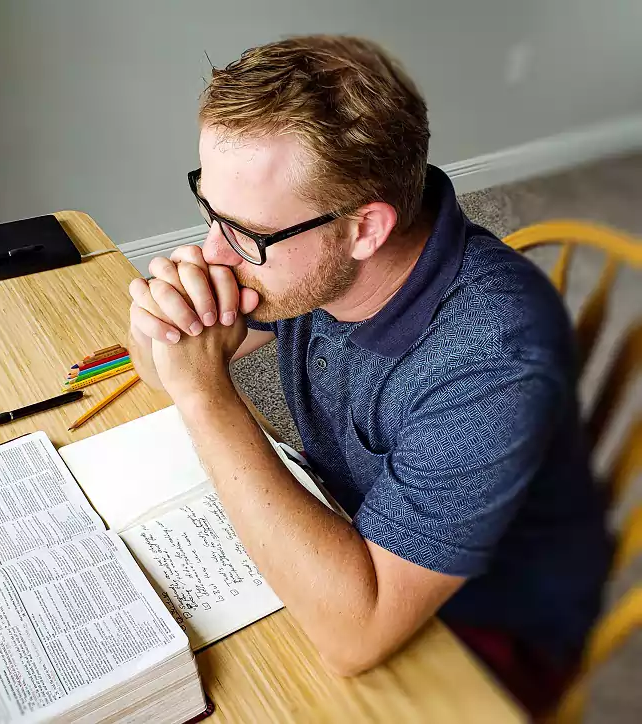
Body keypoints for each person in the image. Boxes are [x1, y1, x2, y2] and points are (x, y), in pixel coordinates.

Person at [126, 35, 611, 716]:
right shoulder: (306, 263)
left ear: (364, 231)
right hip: (351, 525)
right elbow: (158, 368)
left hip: (482, 626)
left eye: (243, 232)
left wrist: (206, 397)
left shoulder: (493, 358)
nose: (213, 254)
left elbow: (354, 637)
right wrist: (163, 321)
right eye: (208, 210)